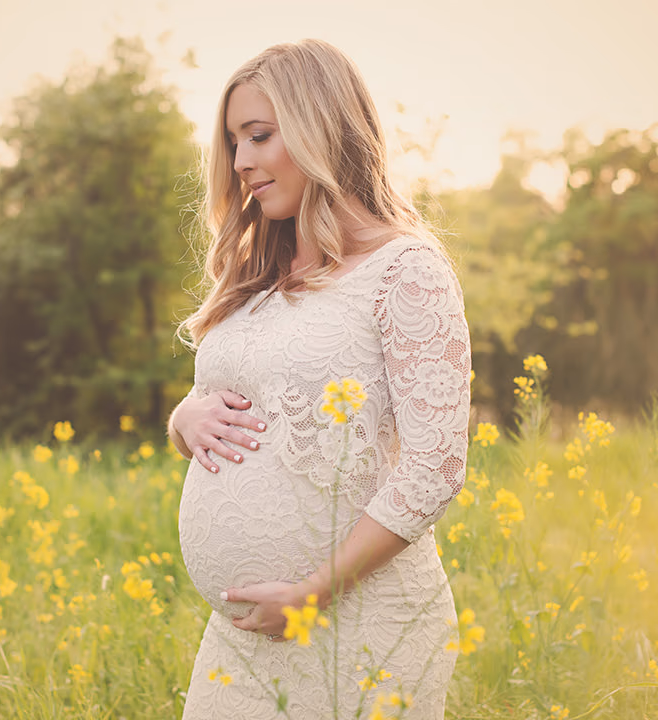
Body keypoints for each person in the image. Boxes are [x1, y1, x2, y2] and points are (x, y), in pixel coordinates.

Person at [168, 39, 471, 719]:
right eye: (233, 141)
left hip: (362, 628)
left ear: (319, 128)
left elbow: (435, 466)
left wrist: (312, 595)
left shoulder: (405, 271)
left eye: (260, 136)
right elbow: (234, 397)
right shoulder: (255, 280)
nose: (241, 161)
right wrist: (184, 421)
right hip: (241, 643)